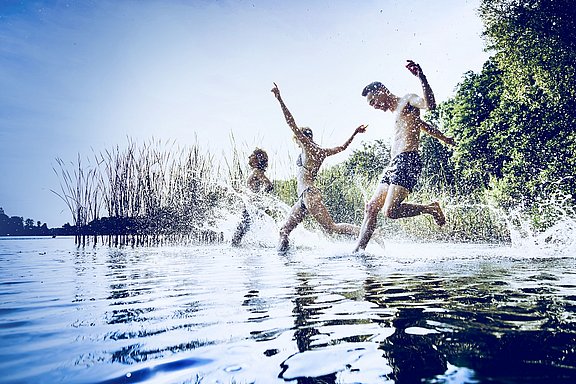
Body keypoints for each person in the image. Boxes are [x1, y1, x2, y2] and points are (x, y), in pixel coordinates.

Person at [354, 60, 456, 252]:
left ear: (381, 90)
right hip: (394, 164)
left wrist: (421, 76)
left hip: (408, 160)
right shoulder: (396, 114)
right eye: (371, 105)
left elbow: (430, 105)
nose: (374, 106)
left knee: (390, 211)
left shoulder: (407, 100)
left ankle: (431, 208)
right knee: (371, 207)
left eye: (373, 101)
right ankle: (358, 252)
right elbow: (423, 126)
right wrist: (443, 137)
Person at [271, 82, 367, 253]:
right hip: (304, 197)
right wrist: (354, 133)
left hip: (309, 194)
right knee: (284, 231)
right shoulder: (321, 151)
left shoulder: (308, 147)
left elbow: (290, 122)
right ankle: (283, 260)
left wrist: (280, 99)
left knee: (331, 228)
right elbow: (343, 147)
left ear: (301, 138)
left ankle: (368, 234)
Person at [231, 148, 274, 246]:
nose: (249, 157)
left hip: (252, 206)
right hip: (250, 206)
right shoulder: (256, 172)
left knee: (238, 235)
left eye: (251, 155)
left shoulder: (257, 172)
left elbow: (269, 185)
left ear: (257, 159)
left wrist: (257, 197)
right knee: (241, 231)